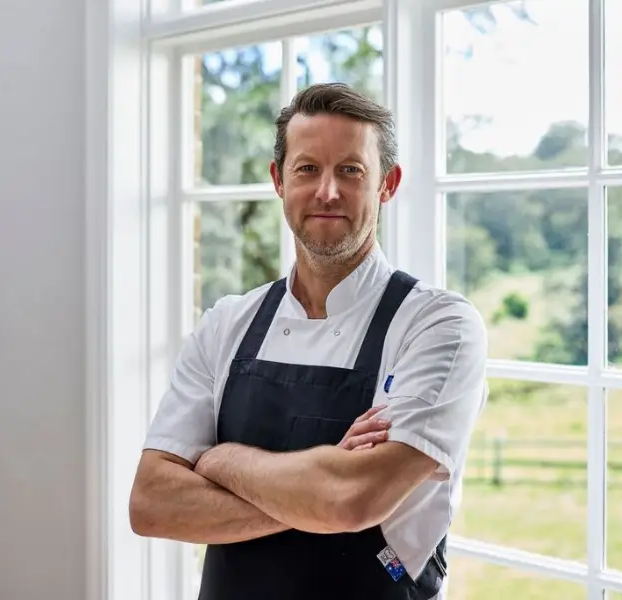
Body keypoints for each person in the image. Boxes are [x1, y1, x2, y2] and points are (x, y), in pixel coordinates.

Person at [129, 82, 488, 600]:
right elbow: (151, 503)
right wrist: (314, 487)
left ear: (387, 184)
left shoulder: (437, 326)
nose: (327, 191)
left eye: (351, 170)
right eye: (307, 169)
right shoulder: (227, 323)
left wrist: (220, 461)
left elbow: (349, 501)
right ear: (278, 180)